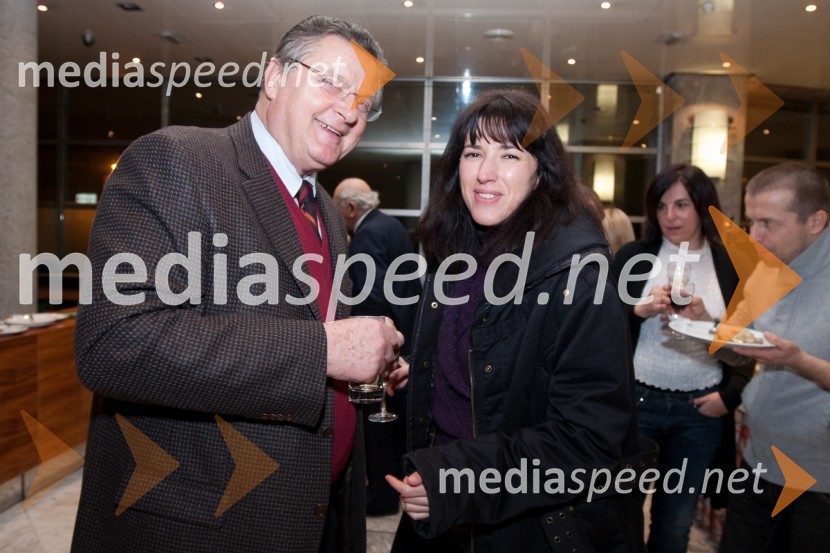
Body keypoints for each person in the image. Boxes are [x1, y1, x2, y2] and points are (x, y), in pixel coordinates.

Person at [71, 16, 403, 553]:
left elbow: (302, 337)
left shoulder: (325, 211)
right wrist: (325, 350)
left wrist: (364, 365)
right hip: (201, 528)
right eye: (331, 83)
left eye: (364, 104)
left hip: (315, 518)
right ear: (274, 76)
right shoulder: (176, 160)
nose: (348, 111)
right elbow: (115, 343)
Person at [385, 88, 649, 552]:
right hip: (446, 514)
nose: (484, 172)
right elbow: (488, 373)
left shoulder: (578, 277)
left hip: (528, 525)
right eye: (473, 153)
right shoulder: (458, 253)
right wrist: (421, 372)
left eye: (509, 154)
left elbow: (587, 440)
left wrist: (456, 480)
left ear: (541, 172)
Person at [611, 164, 755, 553]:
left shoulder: (731, 264)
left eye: (681, 205)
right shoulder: (634, 257)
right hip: (638, 403)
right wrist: (637, 310)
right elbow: (598, 325)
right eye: (661, 206)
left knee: (674, 526)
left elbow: (750, 343)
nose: (670, 216)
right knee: (621, 516)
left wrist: (729, 394)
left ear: (704, 207)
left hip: (699, 412)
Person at [719, 163, 830, 553]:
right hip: (759, 461)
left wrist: (799, 361)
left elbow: (791, 356)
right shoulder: (766, 269)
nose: (755, 236)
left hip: (821, 481)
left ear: (815, 222)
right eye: (751, 221)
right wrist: (702, 323)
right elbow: (742, 345)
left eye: (768, 223)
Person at [333, 177, 421, 516]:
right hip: (404, 329)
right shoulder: (391, 225)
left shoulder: (367, 235)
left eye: (339, 209)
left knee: (376, 421)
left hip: (382, 339)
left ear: (351, 208)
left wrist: (360, 334)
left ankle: (381, 496)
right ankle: (393, 488)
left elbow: (372, 294)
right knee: (393, 421)